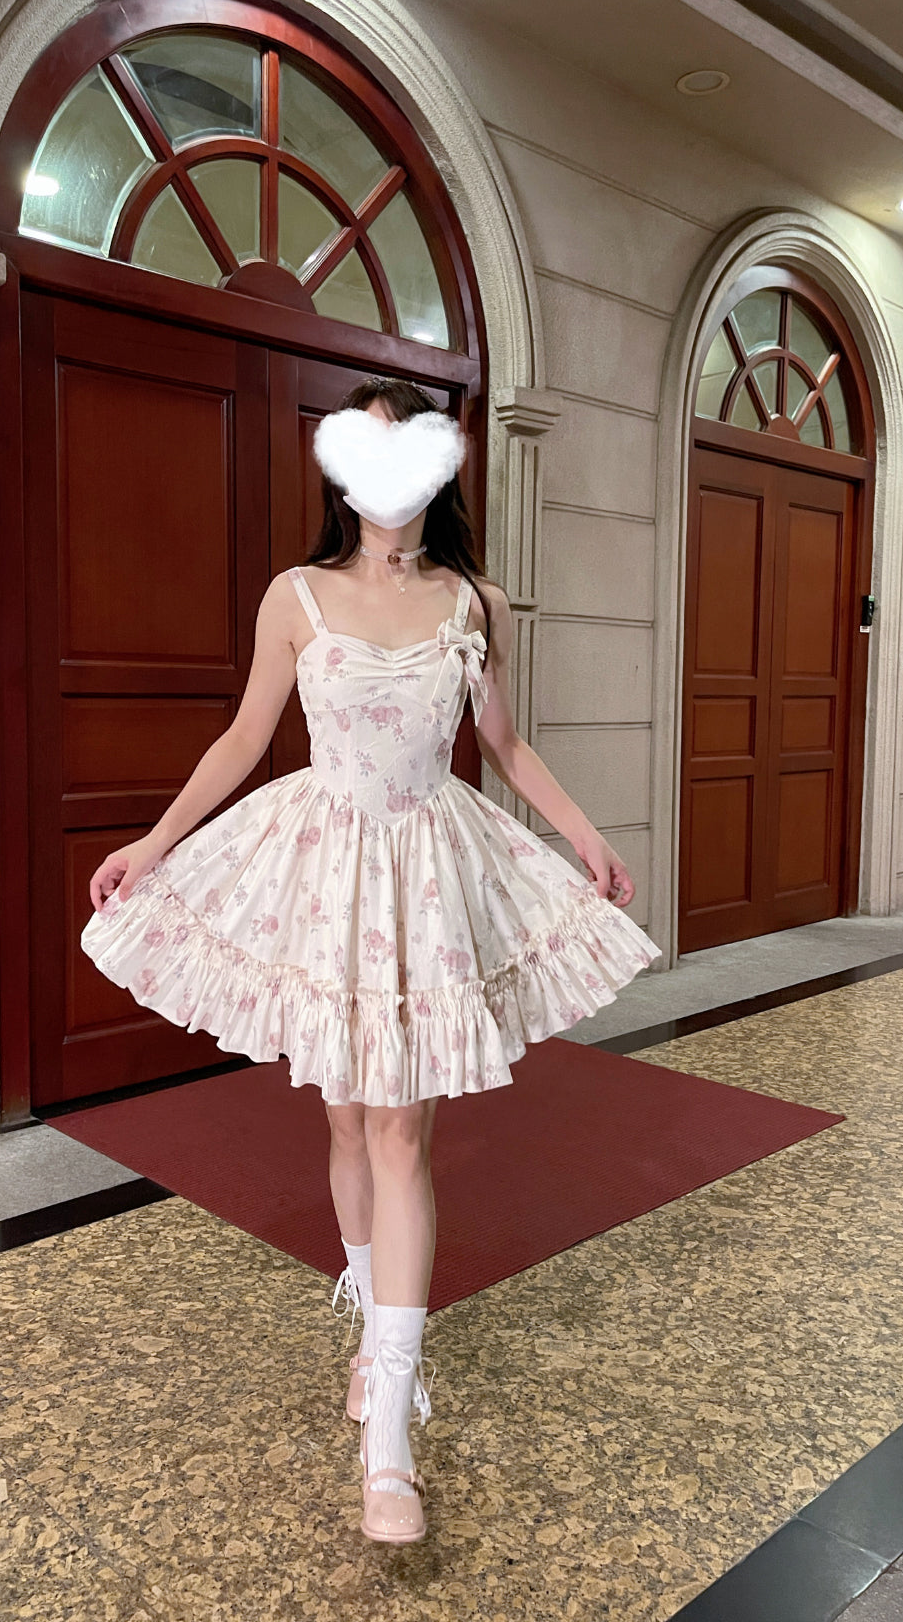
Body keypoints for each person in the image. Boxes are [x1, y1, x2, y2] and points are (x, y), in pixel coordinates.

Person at [80, 375, 662, 1546]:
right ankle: (368, 1320)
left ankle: (389, 1433)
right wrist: (155, 841)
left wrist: (586, 836)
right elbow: (245, 736)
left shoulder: (476, 602)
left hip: (429, 874)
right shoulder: (295, 597)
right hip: (324, 871)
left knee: (401, 1135)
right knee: (346, 1126)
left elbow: (504, 743)